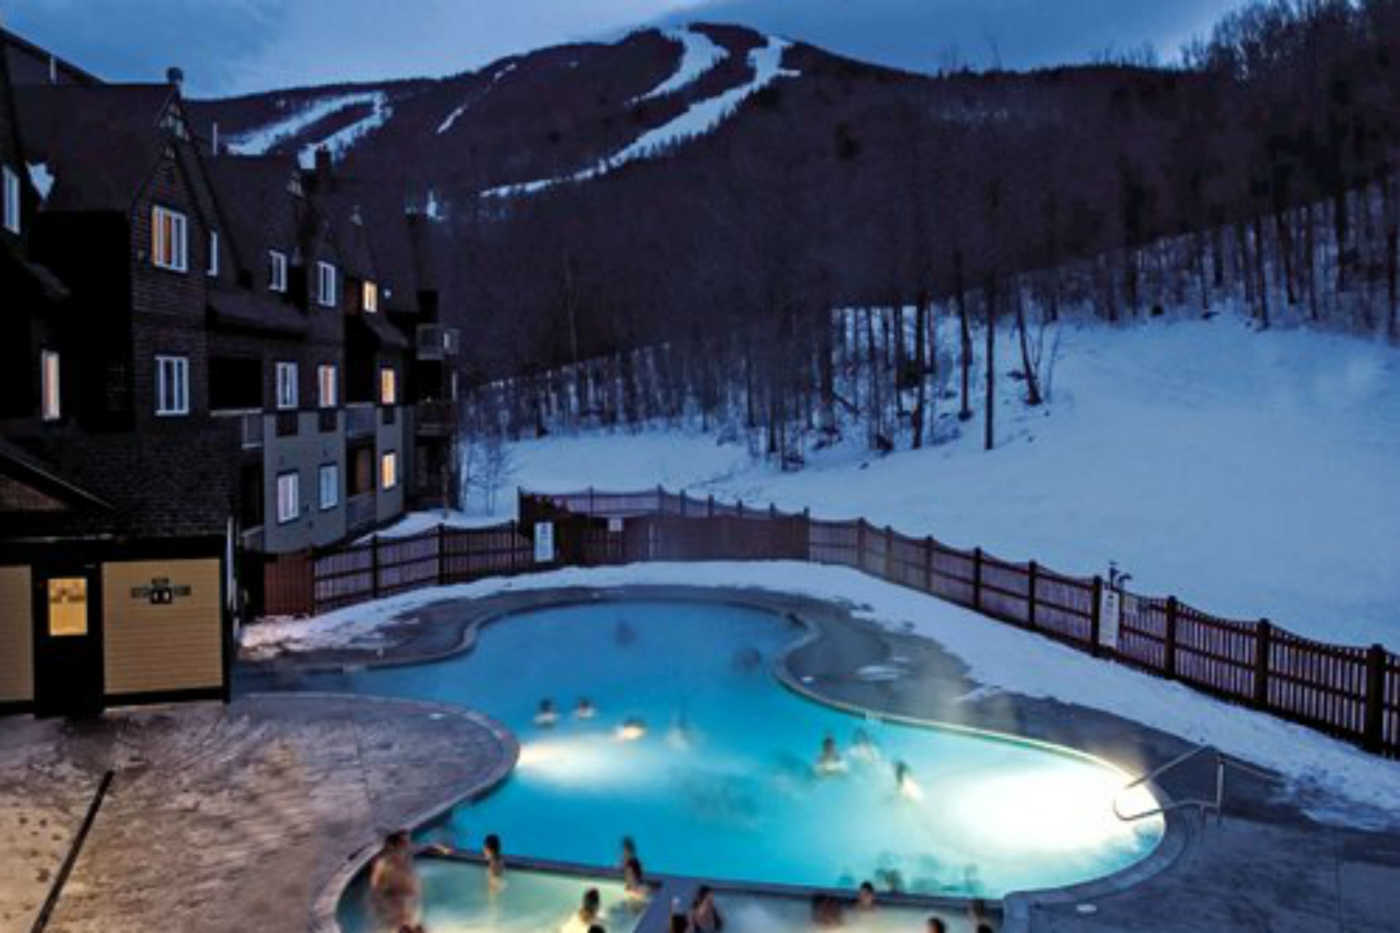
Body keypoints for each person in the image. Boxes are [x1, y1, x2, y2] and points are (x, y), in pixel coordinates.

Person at [368, 831, 421, 931]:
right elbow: (375, 887)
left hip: (400, 900)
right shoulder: (384, 863)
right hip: (397, 901)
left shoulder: (402, 862)